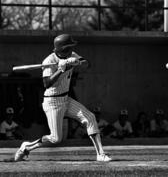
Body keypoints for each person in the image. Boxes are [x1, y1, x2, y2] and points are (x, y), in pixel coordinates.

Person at [14, 34, 112, 162]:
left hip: (66, 98)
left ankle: (100, 154)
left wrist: (77, 62)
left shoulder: (71, 55)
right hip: (52, 101)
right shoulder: (48, 61)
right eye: (69, 47)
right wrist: (60, 69)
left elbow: (87, 64)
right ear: (62, 49)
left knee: (90, 117)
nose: (72, 50)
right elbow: (47, 84)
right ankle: (26, 146)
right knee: (56, 138)